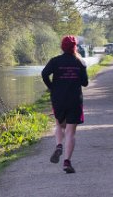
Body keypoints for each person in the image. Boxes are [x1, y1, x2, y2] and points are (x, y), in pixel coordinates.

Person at [41, 35, 88, 173]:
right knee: (70, 132)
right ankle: (67, 162)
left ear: (62, 47)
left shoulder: (55, 61)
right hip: (74, 100)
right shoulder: (80, 62)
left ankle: (59, 145)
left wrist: (52, 87)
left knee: (59, 125)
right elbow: (85, 83)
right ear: (75, 47)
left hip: (58, 99)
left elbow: (44, 74)